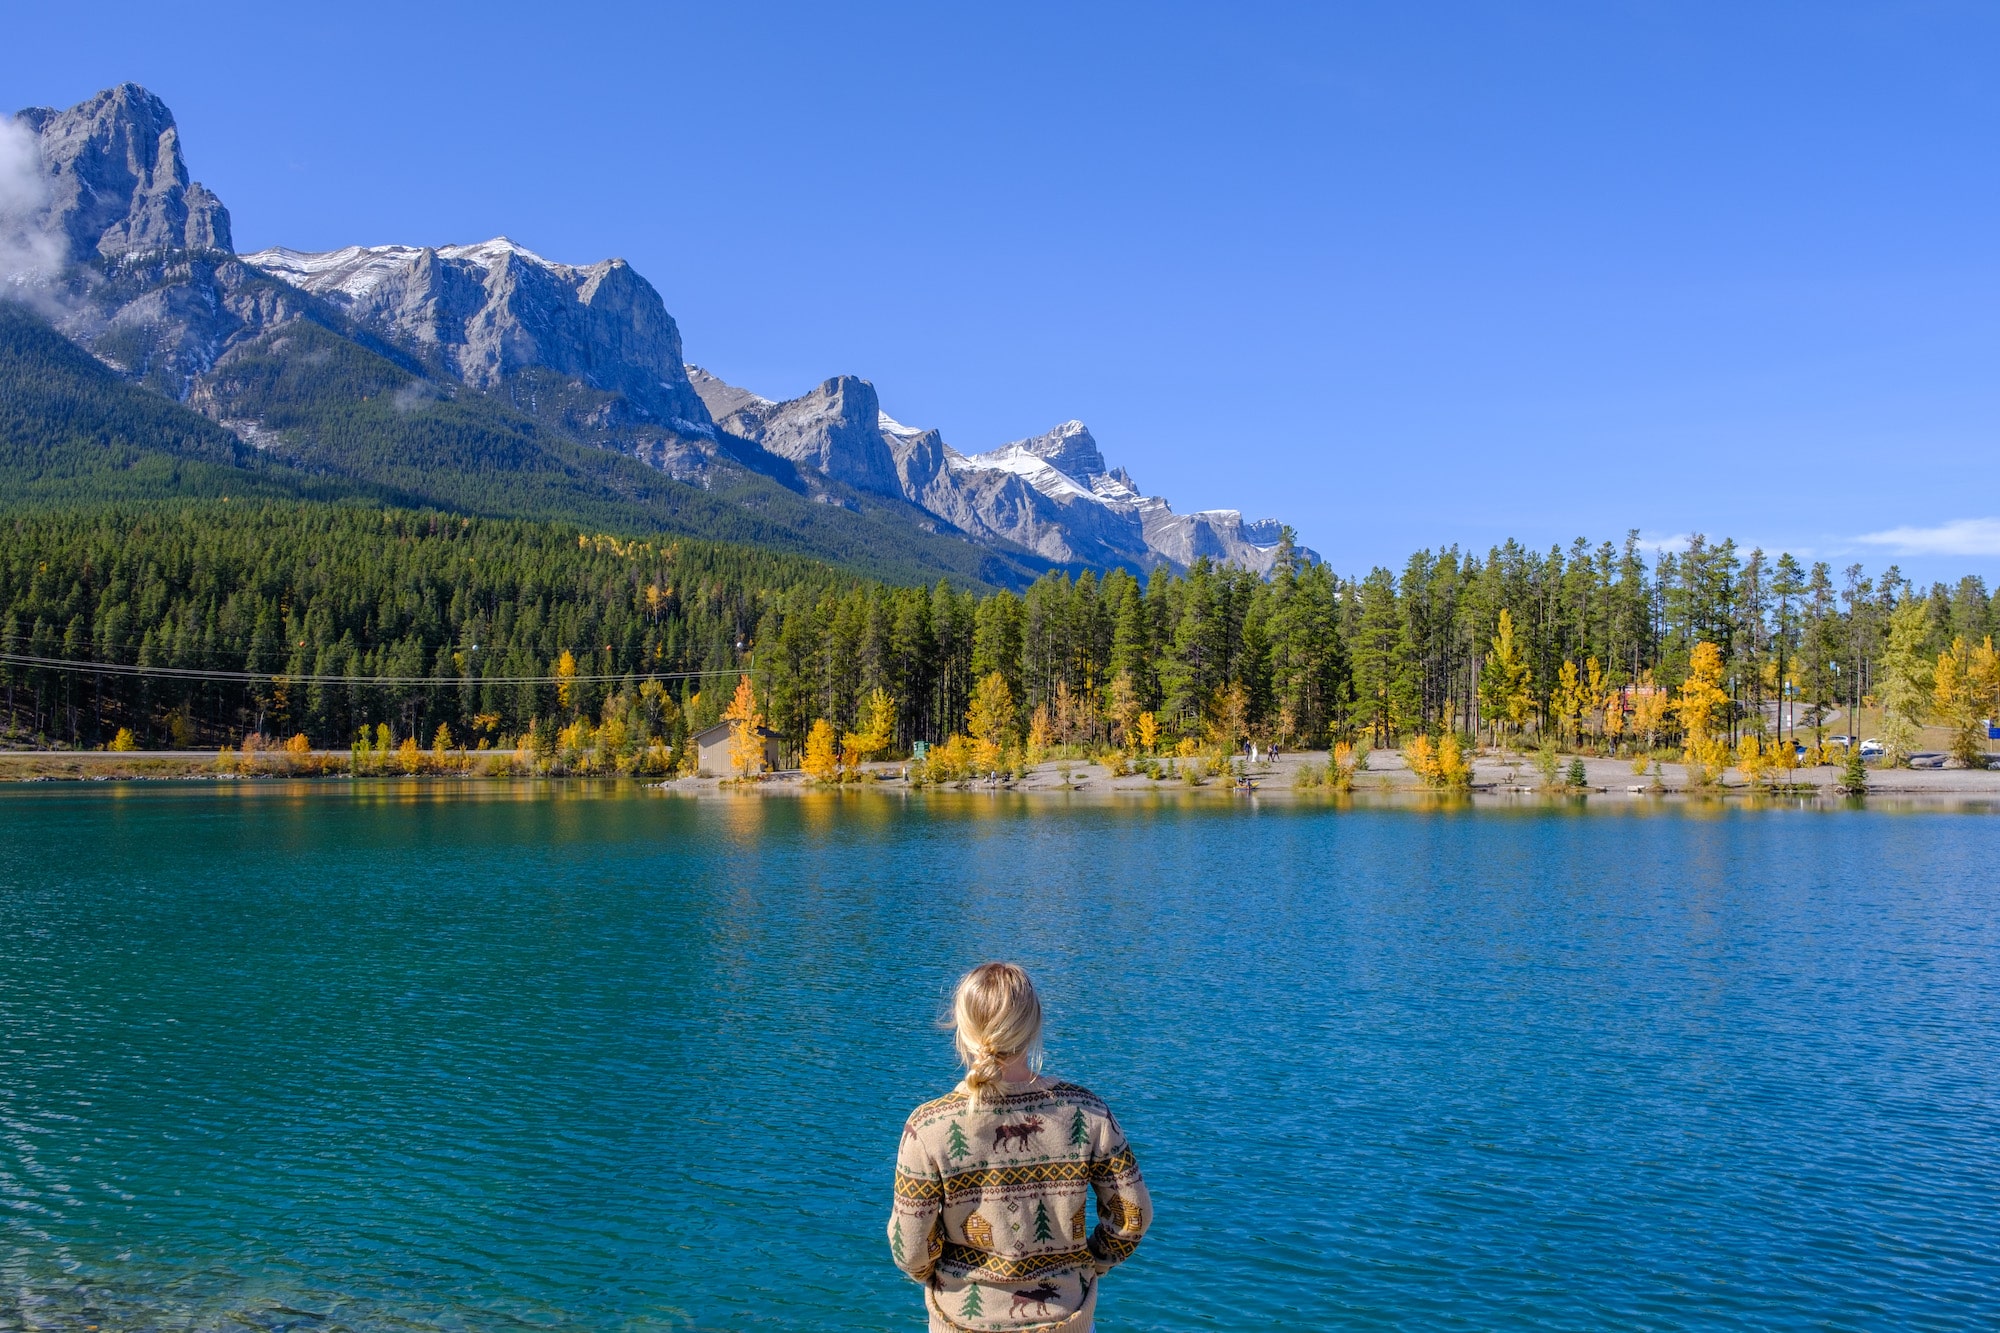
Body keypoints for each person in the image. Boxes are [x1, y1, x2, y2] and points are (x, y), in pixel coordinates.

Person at [889, 963, 1151, 1332]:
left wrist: (938, 1274)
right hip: (1068, 1318)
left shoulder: (928, 1127)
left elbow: (911, 1248)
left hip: (960, 1320)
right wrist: (1090, 1264)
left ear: (962, 1028)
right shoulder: (1087, 1111)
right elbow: (1131, 1216)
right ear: (1034, 1025)